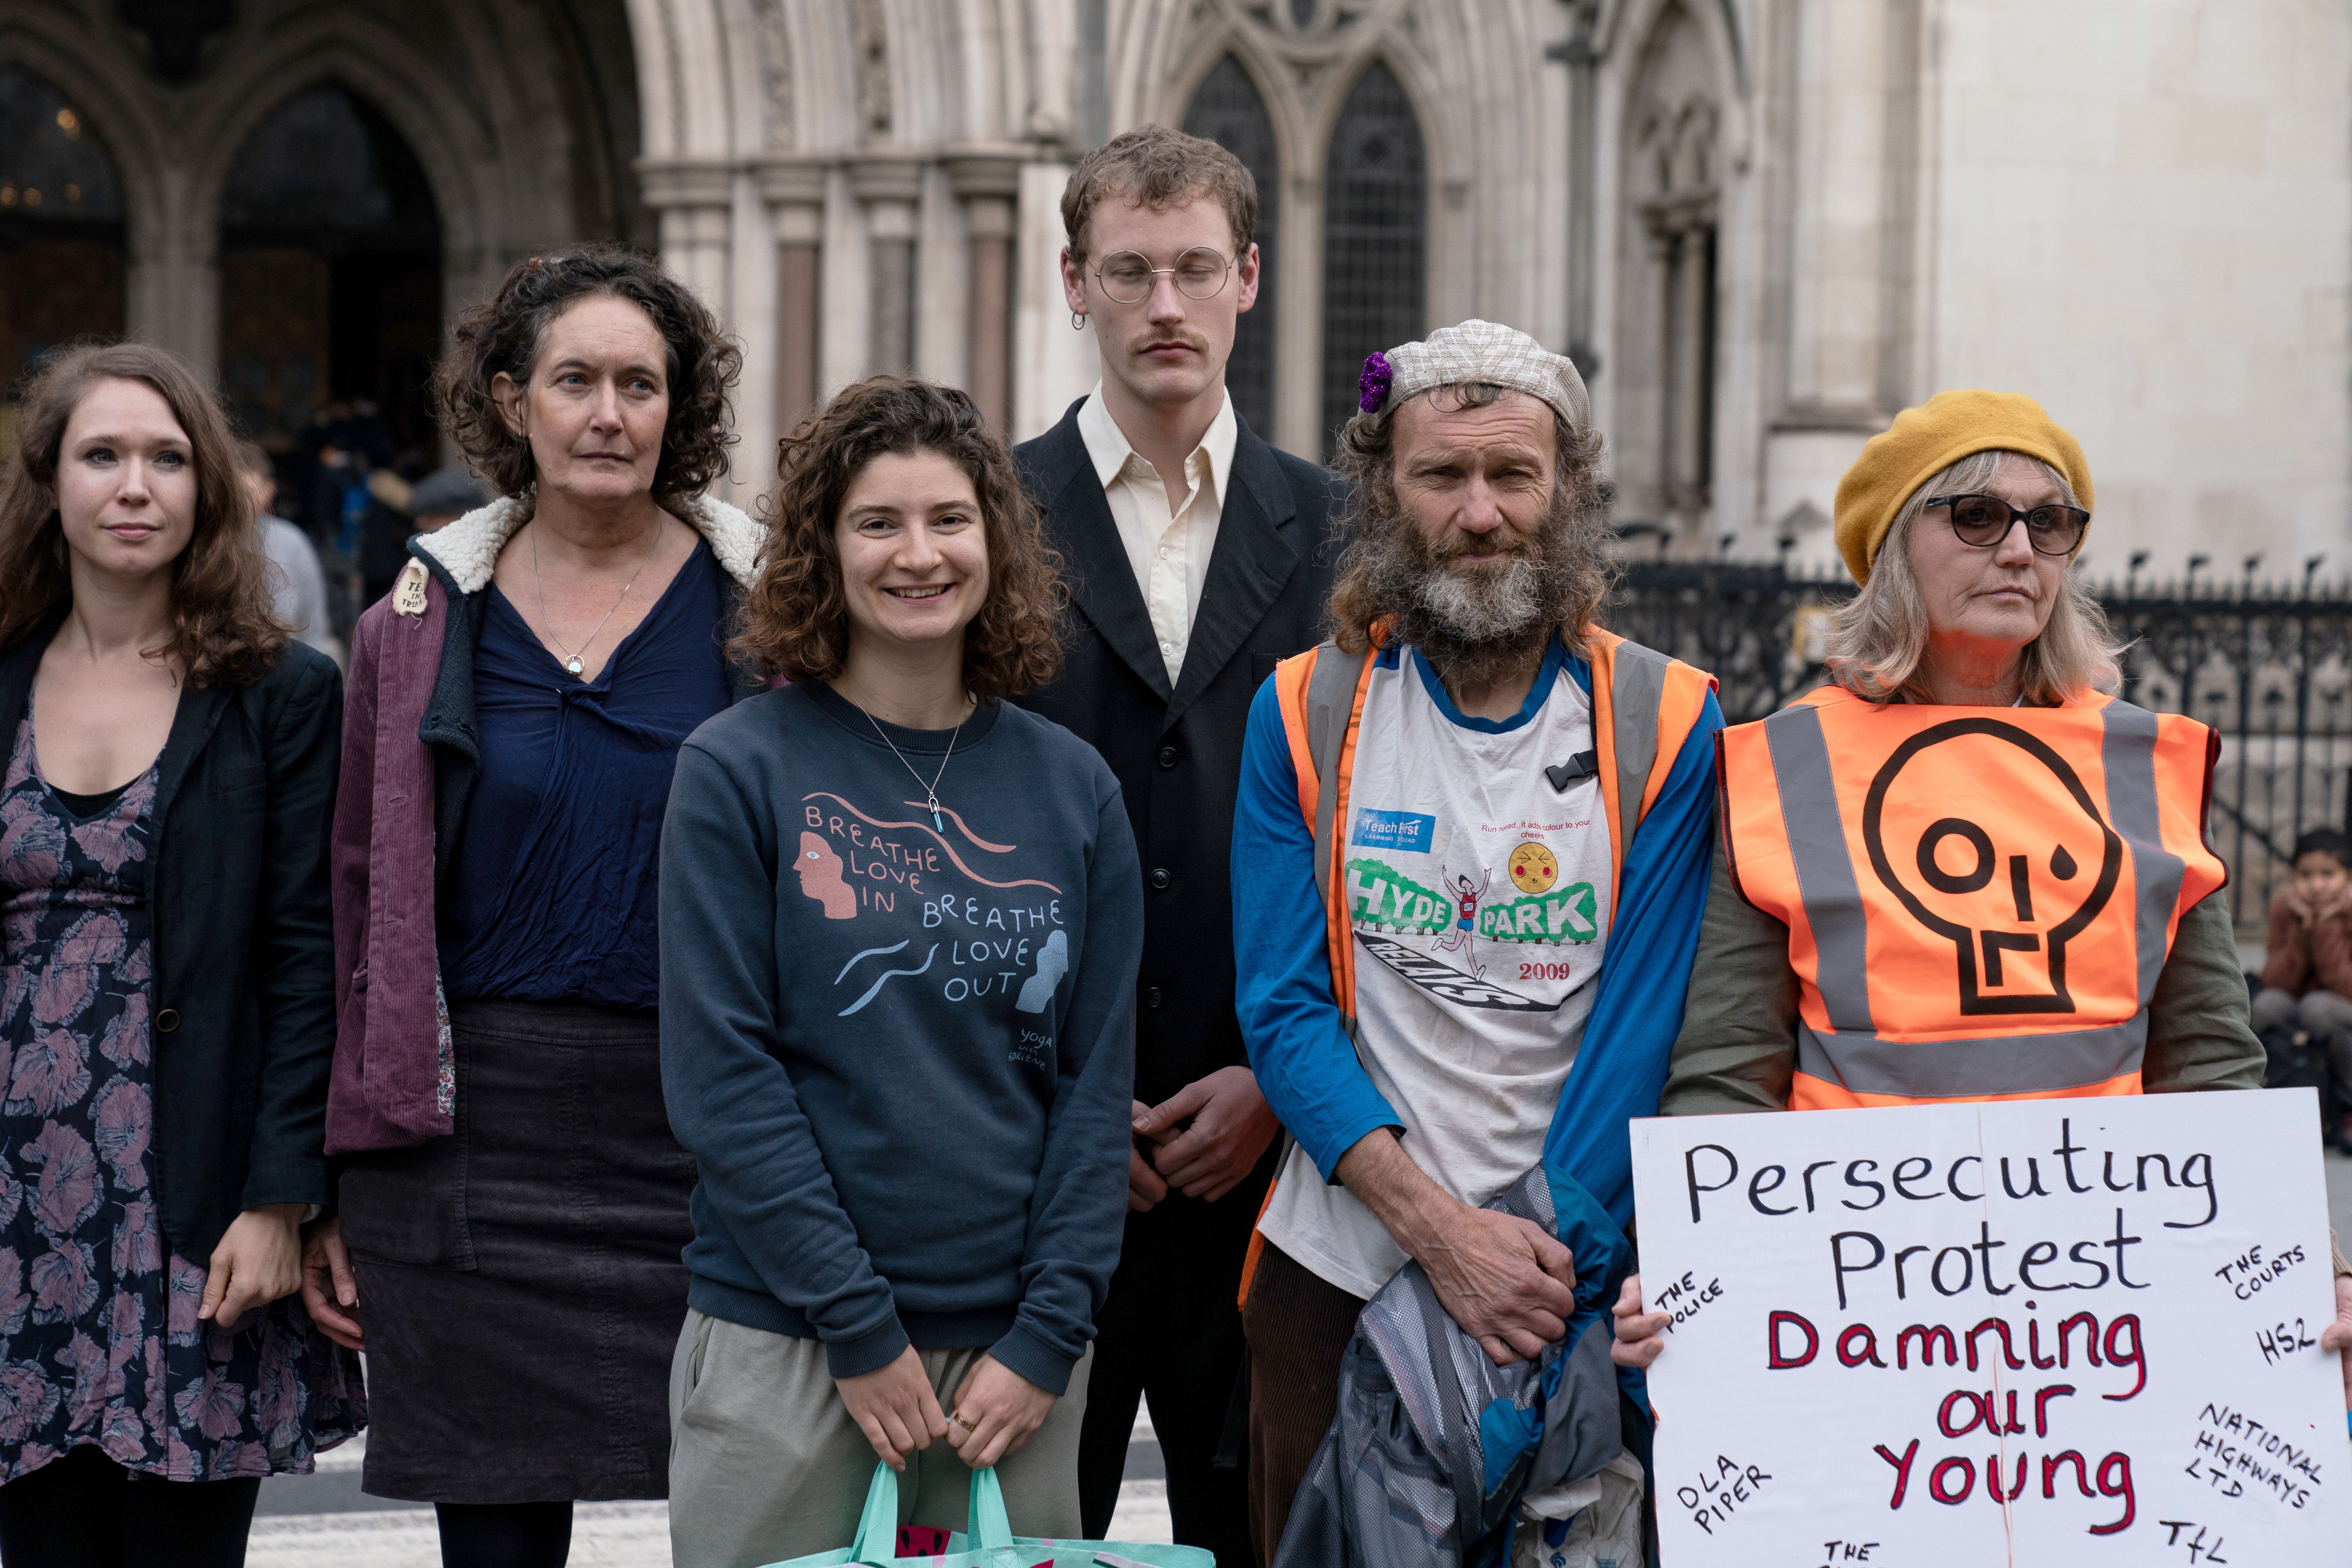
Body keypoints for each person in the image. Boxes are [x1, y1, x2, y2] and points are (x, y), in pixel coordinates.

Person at [1609, 388, 2352, 1412]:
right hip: (1855, 1299)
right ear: (1890, 549)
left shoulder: (2145, 761)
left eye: (2049, 522)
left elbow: (2213, 1067)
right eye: (1974, 515)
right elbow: (1727, 1074)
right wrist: (1687, 1267)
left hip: (2108, 1295)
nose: (2018, 548)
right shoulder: (1783, 763)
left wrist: (2312, 1256)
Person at [1230, 319, 1724, 1560]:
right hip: (1339, 1263)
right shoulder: (1303, 705)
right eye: (1439, 475)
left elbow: (1644, 1021)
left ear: (1564, 493)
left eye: (1512, 474)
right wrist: (1437, 1231)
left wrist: (1539, 1261)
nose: (1479, 510)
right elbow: (1283, 1008)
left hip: (1575, 1273)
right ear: (1382, 492)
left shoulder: (1667, 715)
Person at [310, 244, 764, 1568]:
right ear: (512, 401)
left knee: (752, 1519)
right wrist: (336, 1174)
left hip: (710, 1139)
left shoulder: (768, 606)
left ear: (681, 410)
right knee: (496, 1547)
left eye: (640, 382)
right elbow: (353, 899)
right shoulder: (415, 611)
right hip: (470, 1147)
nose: (609, 412)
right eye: (576, 379)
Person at [659, 375, 1140, 1563]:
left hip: (1013, 1366)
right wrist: (858, 1327)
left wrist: (1047, 1334)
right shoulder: (736, 768)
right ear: (821, 549)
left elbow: (1092, 1091)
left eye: (948, 519)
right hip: (792, 1337)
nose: (917, 554)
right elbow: (725, 1076)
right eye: (877, 522)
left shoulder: (1073, 786)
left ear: (995, 542)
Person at [1012, 123, 1348, 1562]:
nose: (1164, 306)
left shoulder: (1342, 539)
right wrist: (1067, 1107)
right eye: (1131, 271)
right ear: (1072, 281)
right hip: (1027, 1173)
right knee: (1025, 1540)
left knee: (1259, 1537)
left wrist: (1283, 1083)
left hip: (1266, 1166)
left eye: (1195, 270)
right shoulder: (976, 524)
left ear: (1248, 279)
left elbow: (1380, 850)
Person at [0, 343, 360, 1563]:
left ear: (209, 488)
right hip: (13, 1203)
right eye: (103, 454)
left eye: (167, 456)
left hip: (191, 1202)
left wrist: (280, 1192)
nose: (135, 483)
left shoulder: (281, 693)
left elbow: (308, 956)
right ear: (49, 480)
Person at [2253, 828, 2352, 1139]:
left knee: (2319, 1008)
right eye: (2305, 875)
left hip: (2337, 1005)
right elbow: (2277, 981)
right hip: (2302, 1001)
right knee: (2266, 1004)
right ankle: (2256, 1096)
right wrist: (2302, 929)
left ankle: (2347, 1104)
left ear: (2347, 877)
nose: (2316, 884)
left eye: (2328, 874)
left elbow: (2344, 984)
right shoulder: (2286, 909)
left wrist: (2326, 927)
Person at [235, 438, 337, 662]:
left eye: (245, 495)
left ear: (269, 491)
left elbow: (311, 629)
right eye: (230, 494)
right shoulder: (195, 542)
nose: (237, 505)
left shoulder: (291, 542)